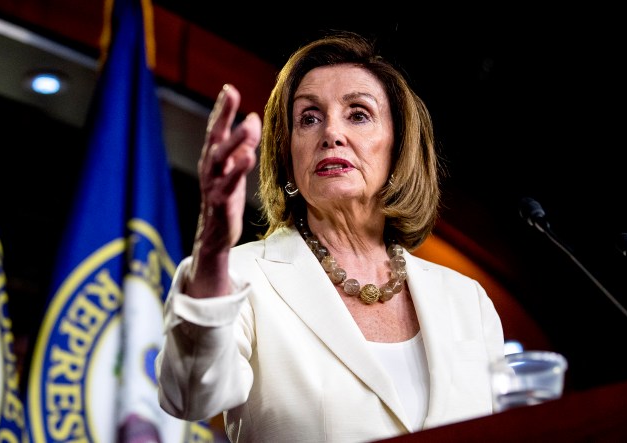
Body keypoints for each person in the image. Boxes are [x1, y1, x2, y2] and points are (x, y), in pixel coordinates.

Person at [155, 30, 505, 442]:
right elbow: (192, 395)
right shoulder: (236, 277)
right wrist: (212, 248)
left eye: (358, 114)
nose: (331, 134)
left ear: (398, 147)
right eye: (309, 118)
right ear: (288, 157)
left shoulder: (467, 302)